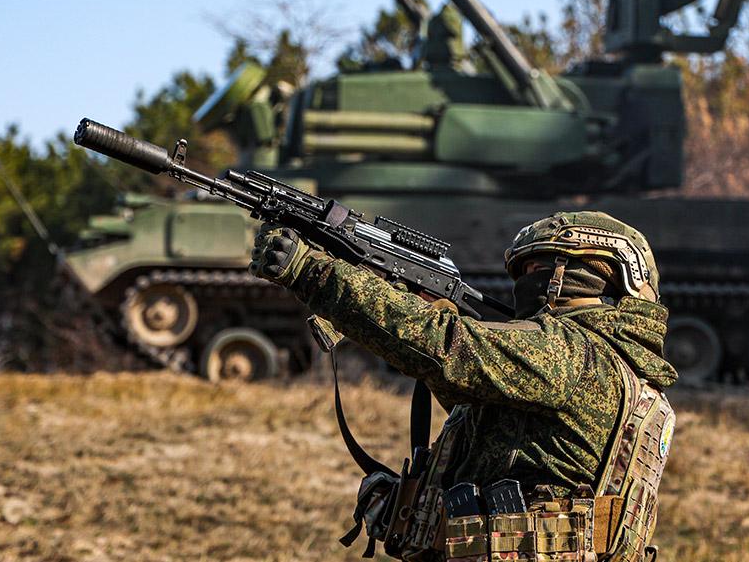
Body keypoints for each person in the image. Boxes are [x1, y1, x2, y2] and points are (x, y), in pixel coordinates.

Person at [249, 210, 677, 561]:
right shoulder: (596, 365)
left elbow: (447, 345)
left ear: (598, 276)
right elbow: (458, 376)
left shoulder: (578, 358)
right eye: (524, 270)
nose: (528, 283)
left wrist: (313, 272)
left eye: (542, 269)